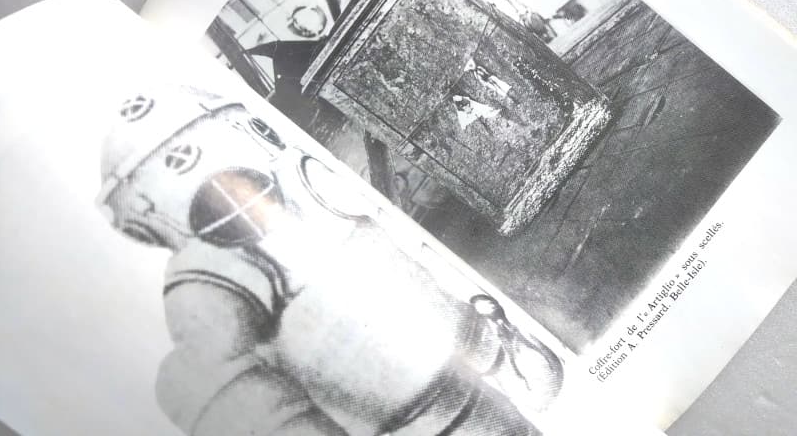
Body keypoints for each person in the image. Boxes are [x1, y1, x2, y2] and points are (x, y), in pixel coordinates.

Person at [97, 85, 563, 435]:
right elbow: (216, 372)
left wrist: (492, 344)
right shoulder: (208, 276)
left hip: (475, 387)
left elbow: (407, 258)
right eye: (178, 161)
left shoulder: (307, 183)